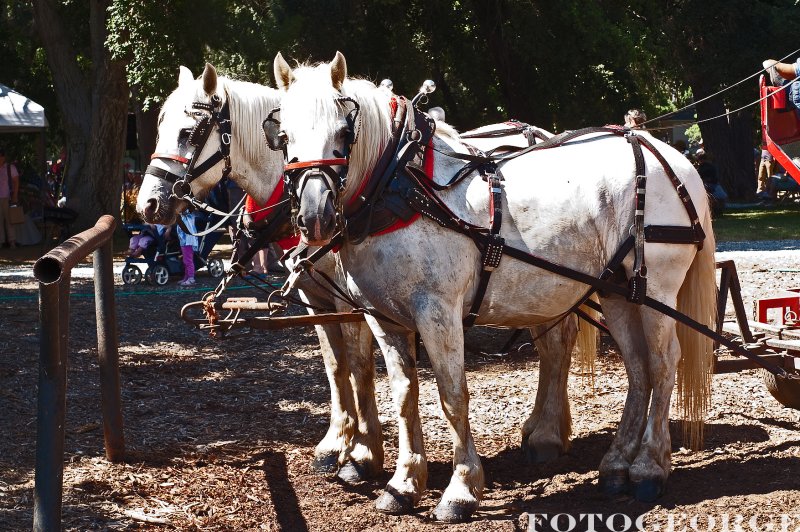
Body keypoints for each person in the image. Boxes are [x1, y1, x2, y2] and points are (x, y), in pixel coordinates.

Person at [0, 148, 20, 248]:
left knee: (9, 220)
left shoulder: (10, 168)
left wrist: (15, 196)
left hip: (8, 197)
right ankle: (1, 242)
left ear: (3, 157)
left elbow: (16, 182)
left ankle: (12, 241)